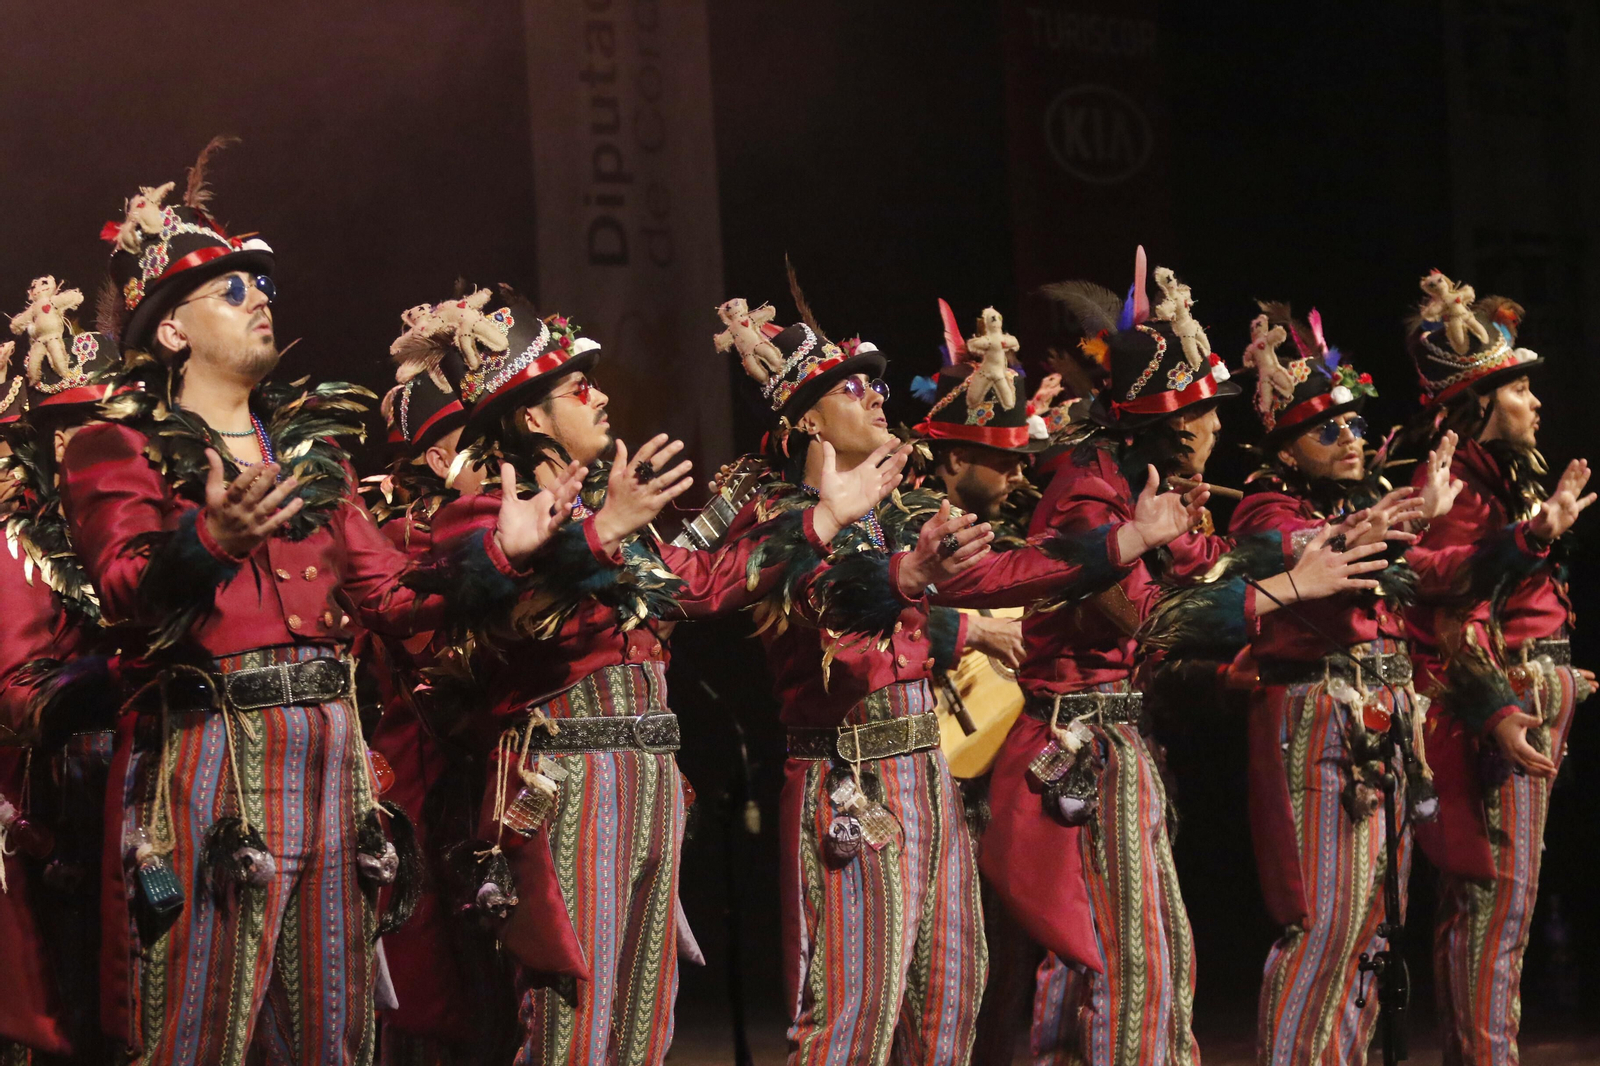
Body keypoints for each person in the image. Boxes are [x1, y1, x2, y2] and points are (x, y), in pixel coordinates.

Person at [62, 144, 583, 1066]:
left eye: (260, 286)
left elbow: (391, 595)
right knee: (197, 1031)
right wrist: (208, 543)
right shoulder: (115, 447)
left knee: (332, 1035)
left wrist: (503, 553)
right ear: (172, 333)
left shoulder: (317, 463)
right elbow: (122, 589)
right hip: (216, 756)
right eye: (229, 291)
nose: (261, 297)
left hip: (336, 759)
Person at [715, 291, 1210, 1066]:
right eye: (851, 386)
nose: (876, 394)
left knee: (950, 1004)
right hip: (849, 777)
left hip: (926, 773)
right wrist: (912, 581)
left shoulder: (898, 511)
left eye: (875, 382)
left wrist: (1129, 540)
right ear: (807, 419)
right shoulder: (782, 517)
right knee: (850, 1017)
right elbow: (832, 608)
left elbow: (1004, 572)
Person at [415, 288, 905, 1066]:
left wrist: (825, 518)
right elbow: (488, 599)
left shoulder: (609, 508)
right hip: (565, 783)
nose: (601, 394)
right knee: (571, 1031)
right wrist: (604, 528)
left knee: (644, 1031)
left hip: (647, 780)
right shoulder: (484, 510)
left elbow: (702, 583)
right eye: (580, 387)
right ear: (535, 419)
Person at [980, 264, 1391, 1066]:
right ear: (1168, 421)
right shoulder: (1088, 499)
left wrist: (1303, 551)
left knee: (1144, 960)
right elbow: (1153, 620)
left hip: (1115, 747)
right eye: (1202, 410)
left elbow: (1205, 564)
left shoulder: (1132, 488)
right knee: (1134, 969)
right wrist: (1292, 583)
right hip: (1081, 750)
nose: (1211, 425)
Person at [1222, 302, 1498, 1064]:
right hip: (1314, 725)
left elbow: (1410, 564)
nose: (1350, 439)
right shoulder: (1262, 510)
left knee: (1376, 925)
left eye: (1352, 426)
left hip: (1378, 723)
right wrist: (1402, 514)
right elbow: (1309, 545)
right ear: (1285, 450)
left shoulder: (1353, 508)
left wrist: (1494, 535)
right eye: (1327, 431)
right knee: (1325, 924)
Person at [1395, 274, 1595, 1066]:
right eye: (1518, 389)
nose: (1535, 403)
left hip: (1529, 686)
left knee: (1499, 904)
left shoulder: (1496, 480)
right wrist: (1503, 708)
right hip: (1498, 699)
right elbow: (1443, 590)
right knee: (1492, 906)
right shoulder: (1458, 486)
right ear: (1478, 406)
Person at [363, 311, 509, 1065]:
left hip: (482, 770)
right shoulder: (402, 539)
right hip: (417, 776)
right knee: (424, 970)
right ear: (443, 452)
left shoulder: (485, 522)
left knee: (492, 965)